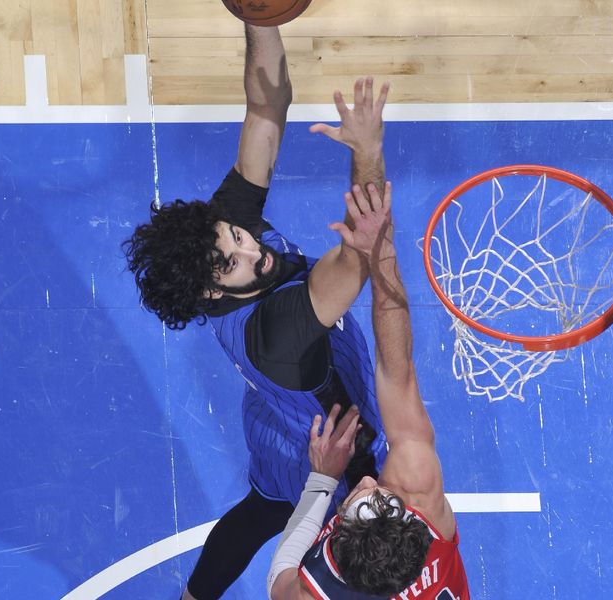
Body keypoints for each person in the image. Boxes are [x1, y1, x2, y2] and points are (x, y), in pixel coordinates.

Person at [123, 23, 392, 600]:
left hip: (274, 420)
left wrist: (260, 14)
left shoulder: (221, 236)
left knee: (262, 508)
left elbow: (266, 105)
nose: (252, 249)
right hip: (334, 445)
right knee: (368, 562)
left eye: (237, 234)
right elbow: (356, 256)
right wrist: (367, 152)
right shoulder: (277, 333)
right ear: (212, 294)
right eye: (233, 262)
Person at [267, 182, 470, 600]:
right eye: (381, 498)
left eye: (360, 499)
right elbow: (398, 372)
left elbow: (279, 581)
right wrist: (383, 252)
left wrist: (322, 481)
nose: (367, 485)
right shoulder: (418, 495)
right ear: (413, 527)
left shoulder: (313, 594)